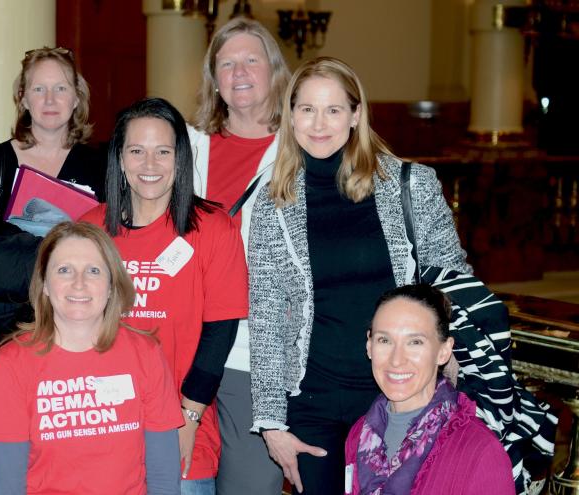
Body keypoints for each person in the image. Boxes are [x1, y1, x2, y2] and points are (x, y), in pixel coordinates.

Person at [248, 57, 471, 494]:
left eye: (333, 109)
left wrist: (452, 353)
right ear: (290, 115)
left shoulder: (410, 185)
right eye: (307, 108)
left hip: (398, 394)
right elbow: (267, 315)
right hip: (314, 401)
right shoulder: (273, 204)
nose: (319, 123)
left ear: (355, 115)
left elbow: (453, 279)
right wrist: (272, 424)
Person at [81, 97, 248, 494]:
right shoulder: (89, 230)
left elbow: (219, 333)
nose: (150, 165)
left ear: (180, 158)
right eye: (137, 151)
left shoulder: (213, 229)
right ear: (120, 159)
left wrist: (188, 419)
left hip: (181, 426)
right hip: (99, 427)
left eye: (163, 151)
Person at [0, 221, 183, 495]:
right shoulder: (10, 363)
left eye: (93, 271)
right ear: (45, 285)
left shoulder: (145, 353)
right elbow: (6, 486)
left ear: (111, 285)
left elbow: (164, 477)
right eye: (64, 270)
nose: (79, 283)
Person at [187, 18, 291, 494]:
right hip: (186, 339)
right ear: (214, 79)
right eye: (226, 63)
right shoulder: (187, 146)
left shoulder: (304, 145)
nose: (240, 71)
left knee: (250, 483)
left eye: (252, 59)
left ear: (274, 70)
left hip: (258, 349)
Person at [0, 46, 105, 374]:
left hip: (80, 319)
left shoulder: (99, 163)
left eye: (61, 88)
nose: (50, 100)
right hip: (9, 322)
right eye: (39, 89)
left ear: (76, 97)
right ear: (24, 99)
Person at [344, 284, 514, 494]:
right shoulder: (359, 433)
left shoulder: (481, 452)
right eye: (384, 340)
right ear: (369, 346)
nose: (396, 360)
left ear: (443, 352)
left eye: (415, 342)